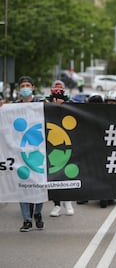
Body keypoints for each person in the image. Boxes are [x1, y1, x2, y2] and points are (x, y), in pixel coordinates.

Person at [14, 76, 47, 232]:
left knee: (39, 185)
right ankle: (27, 219)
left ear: (33, 87)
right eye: (22, 86)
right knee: (23, 186)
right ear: (19, 89)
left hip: (38, 152)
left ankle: (38, 213)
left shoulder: (41, 104)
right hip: (21, 152)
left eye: (28, 85)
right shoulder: (13, 108)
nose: (25, 88)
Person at [48, 80, 76, 217]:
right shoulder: (45, 103)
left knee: (67, 174)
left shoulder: (71, 104)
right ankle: (57, 204)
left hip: (68, 144)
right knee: (54, 176)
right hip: (52, 145)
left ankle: (68, 201)